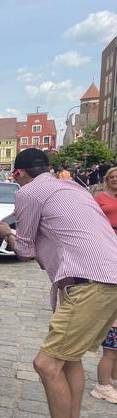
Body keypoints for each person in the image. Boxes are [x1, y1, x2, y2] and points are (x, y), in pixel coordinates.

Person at [0, 148, 117, 418]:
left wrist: (5, 233)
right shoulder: (72, 186)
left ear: (17, 174)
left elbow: (25, 250)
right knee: (70, 360)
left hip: (89, 282)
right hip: (105, 278)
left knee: (46, 364)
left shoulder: (30, 192)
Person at [90, 166, 117, 403]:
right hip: (106, 247)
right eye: (112, 177)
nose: (116, 180)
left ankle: (112, 380)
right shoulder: (100, 199)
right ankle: (103, 384)